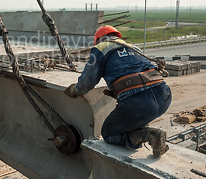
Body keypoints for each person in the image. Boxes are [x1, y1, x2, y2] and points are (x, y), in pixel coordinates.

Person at [63, 25, 172, 157]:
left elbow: (88, 81)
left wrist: (75, 89)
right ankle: (149, 136)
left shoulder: (100, 48)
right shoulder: (134, 48)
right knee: (134, 117)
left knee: (109, 133)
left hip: (138, 102)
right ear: (117, 36)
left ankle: (148, 135)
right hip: (164, 95)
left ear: (98, 40)